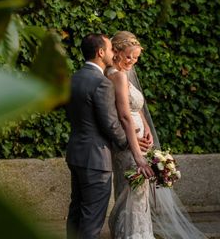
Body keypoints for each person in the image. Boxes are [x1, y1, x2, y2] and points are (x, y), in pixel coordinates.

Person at [107, 31, 207, 239]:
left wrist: (148, 130)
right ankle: (130, 235)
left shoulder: (126, 75)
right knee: (131, 190)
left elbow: (138, 108)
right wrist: (135, 142)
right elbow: (123, 114)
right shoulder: (114, 75)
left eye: (135, 58)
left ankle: (142, 234)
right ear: (115, 51)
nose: (132, 61)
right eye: (128, 56)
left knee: (140, 191)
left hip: (142, 140)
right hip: (129, 144)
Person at [65, 34, 152, 239]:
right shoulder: (101, 82)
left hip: (76, 152)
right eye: (111, 49)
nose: (113, 53)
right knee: (92, 218)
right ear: (101, 52)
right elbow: (112, 122)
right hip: (96, 157)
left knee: (76, 211)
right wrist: (129, 145)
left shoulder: (73, 78)